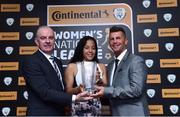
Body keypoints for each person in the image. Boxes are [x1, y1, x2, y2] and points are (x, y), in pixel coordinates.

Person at [21, 26, 93, 116]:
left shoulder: (57, 61)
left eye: (50, 38)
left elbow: (60, 89)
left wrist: (78, 89)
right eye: (43, 38)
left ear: (54, 40)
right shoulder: (31, 61)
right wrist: (75, 98)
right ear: (37, 42)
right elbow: (45, 92)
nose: (47, 41)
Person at [91, 26, 150, 116]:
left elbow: (136, 90)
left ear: (126, 41)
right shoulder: (111, 65)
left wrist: (106, 91)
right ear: (109, 43)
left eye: (118, 38)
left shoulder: (135, 61)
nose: (115, 41)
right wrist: (98, 87)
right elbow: (112, 90)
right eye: (112, 39)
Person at [64, 36, 108, 116]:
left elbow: (106, 90)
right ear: (81, 49)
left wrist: (99, 82)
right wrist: (78, 89)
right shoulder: (72, 66)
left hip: (96, 107)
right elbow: (68, 91)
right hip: (78, 107)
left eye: (93, 48)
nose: (90, 51)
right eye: (86, 48)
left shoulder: (101, 66)